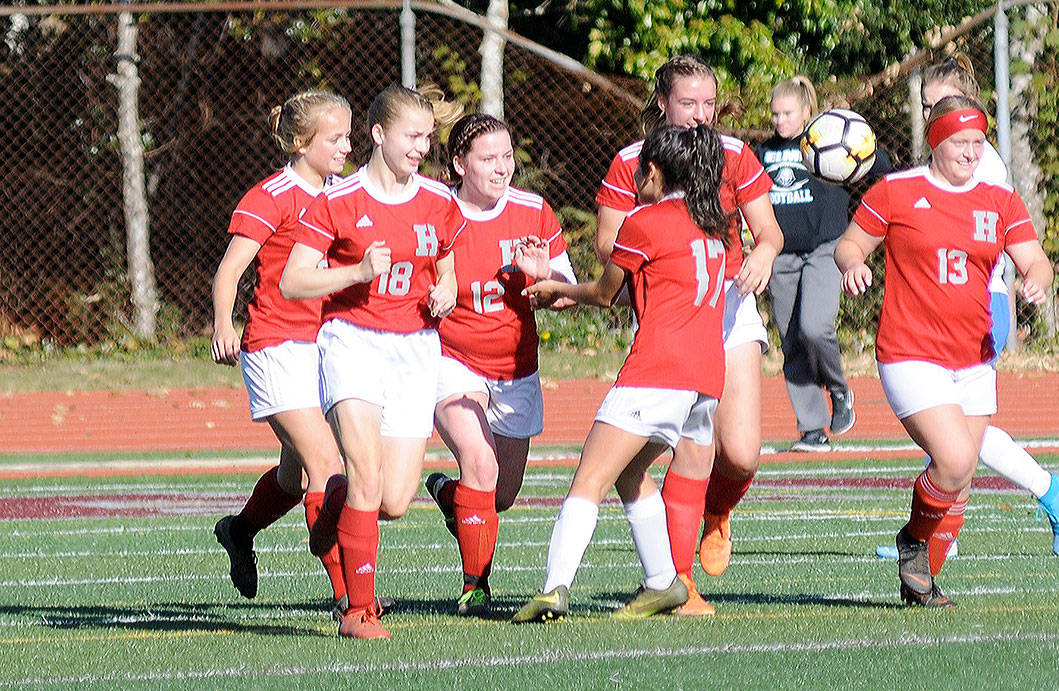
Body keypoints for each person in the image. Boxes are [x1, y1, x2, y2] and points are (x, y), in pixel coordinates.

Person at [279, 83, 481, 639]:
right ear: (378, 134)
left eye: (427, 137)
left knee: (392, 501)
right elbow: (294, 280)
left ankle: (334, 504)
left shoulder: (439, 201)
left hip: (415, 348)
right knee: (367, 475)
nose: (422, 147)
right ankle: (357, 611)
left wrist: (446, 290)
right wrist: (355, 273)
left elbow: (446, 266)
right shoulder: (337, 200)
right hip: (352, 341)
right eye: (412, 137)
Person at [836, 95, 1054, 607]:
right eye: (960, 142)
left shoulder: (999, 200)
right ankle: (913, 541)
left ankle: (922, 585)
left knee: (959, 479)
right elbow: (850, 244)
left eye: (978, 143)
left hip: (974, 357)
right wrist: (852, 266)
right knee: (953, 459)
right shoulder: (897, 191)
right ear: (936, 141)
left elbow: (1036, 259)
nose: (971, 152)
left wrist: (1035, 281)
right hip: (910, 351)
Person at [512, 123, 731, 623]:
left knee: (587, 480)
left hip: (657, 370)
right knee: (632, 474)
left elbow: (607, 292)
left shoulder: (646, 221)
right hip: (704, 378)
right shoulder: (715, 223)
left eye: (640, 169)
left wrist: (555, 288)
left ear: (653, 170)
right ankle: (662, 584)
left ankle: (554, 589)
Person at [594, 55, 783, 611]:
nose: (700, 115)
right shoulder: (634, 162)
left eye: (708, 104)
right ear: (662, 104)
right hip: (670, 317)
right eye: (687, 103)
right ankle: (678, 579)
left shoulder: (735, 154)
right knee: (684, 450)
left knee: (742, 454)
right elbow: (609, 246)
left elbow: (768, 231)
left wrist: (765, 254)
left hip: (728, 309)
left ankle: (717, 512)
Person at [875, 55, 1059, 558]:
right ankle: (942, 537)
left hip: (980, 301)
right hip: (948, 306)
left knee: (962, 438)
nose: (928, 114)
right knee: (956, 438)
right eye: (925, 107)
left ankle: (1042, 491)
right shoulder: (941, 157)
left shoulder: (978, 162)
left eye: (936, 104)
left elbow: (1000, 242)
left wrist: (1032, 276)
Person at [423, 112, 577, 610]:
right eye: (488, 158)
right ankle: (475, 586)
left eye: (507, 156)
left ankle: (451, 497)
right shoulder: (436, 210)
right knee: (481, 463)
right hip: (453, 359)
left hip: (515, 368)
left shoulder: (533, 211)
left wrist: (542, 278)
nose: (501, 167)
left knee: (500, 496)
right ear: (459, 162)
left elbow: (568, 295)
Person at [210, 90, 351, 610]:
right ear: (298, 142)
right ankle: (350, 600)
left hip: (329, 345)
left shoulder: (347, 192)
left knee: (294, 476)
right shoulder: (271, 195)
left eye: (348, 135)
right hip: (275, 344)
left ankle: (239, 530)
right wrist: (224, 323)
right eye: (334, 138)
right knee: (326, 462)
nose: (346, 146)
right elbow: (230, 269)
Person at [760, 76, 860, 452]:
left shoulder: (826, 141)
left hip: (824, 249)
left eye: (787, 113)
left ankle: (839, 389)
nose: (780, 121)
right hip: (781, 254)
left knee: (815, 327)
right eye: (775, 114)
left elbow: (875, 163)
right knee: (792, 342)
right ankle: (812, 428)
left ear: (805, 112)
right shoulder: (764, 152)